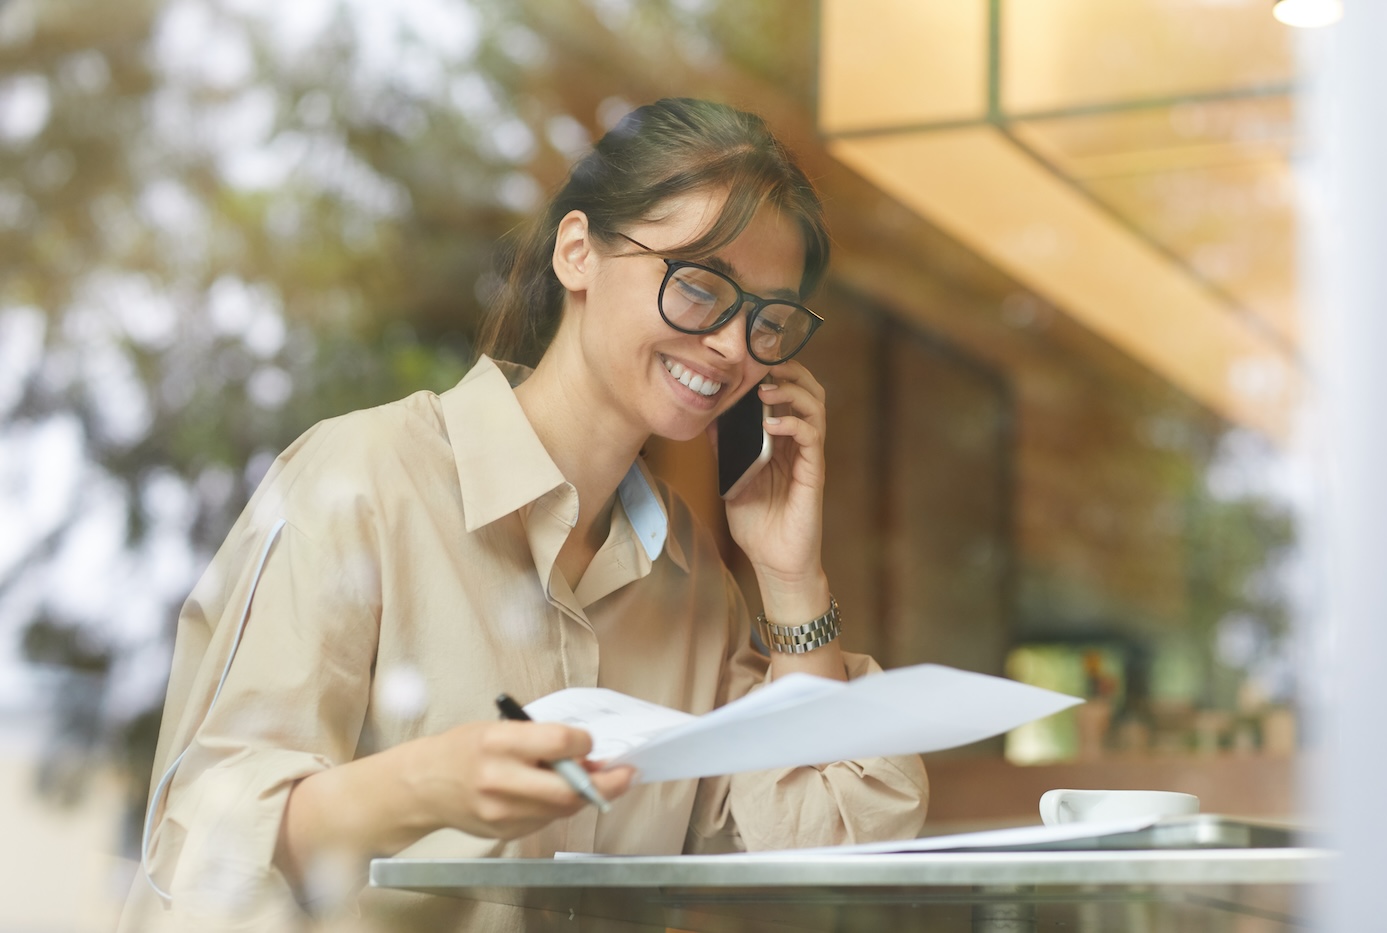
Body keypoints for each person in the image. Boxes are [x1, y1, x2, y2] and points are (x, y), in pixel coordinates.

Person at [120, 97, 929, 932]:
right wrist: (430, 785)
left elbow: (826, 846)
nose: (733, 345)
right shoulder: (365, 479)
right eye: (700, 286)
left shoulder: (692, 585)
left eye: (770, 318)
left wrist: (792, 579)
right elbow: (205, 847)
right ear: (578, 252)